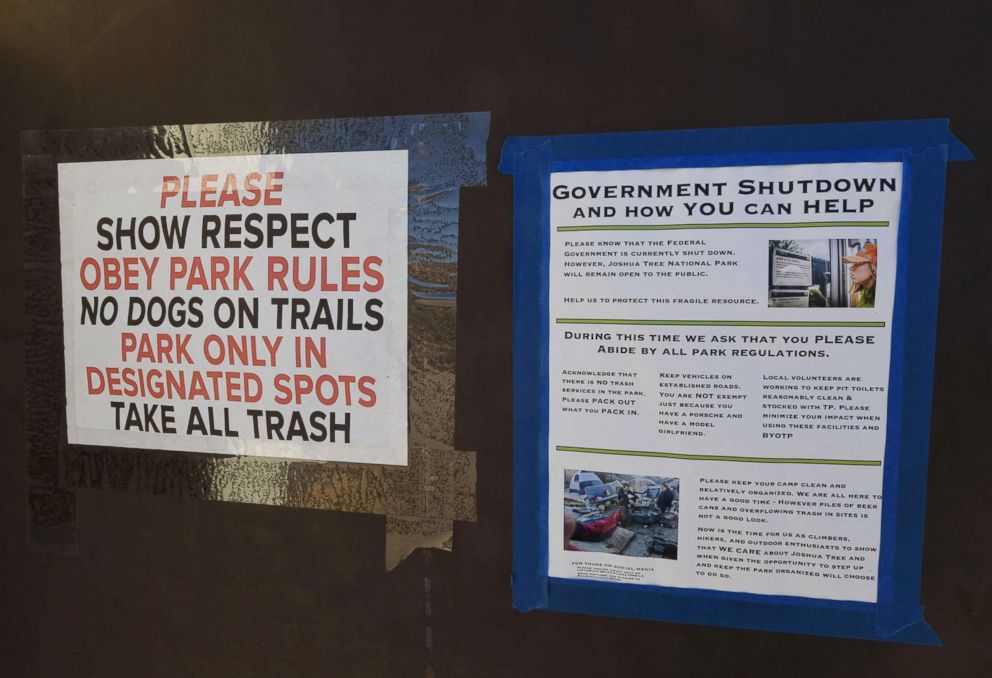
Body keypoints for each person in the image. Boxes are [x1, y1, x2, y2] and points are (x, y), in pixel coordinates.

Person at [842, 242, 877, 308]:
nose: (851, 268)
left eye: (859, 263)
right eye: (854, 263)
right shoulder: (866, 292)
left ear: (873, 267)